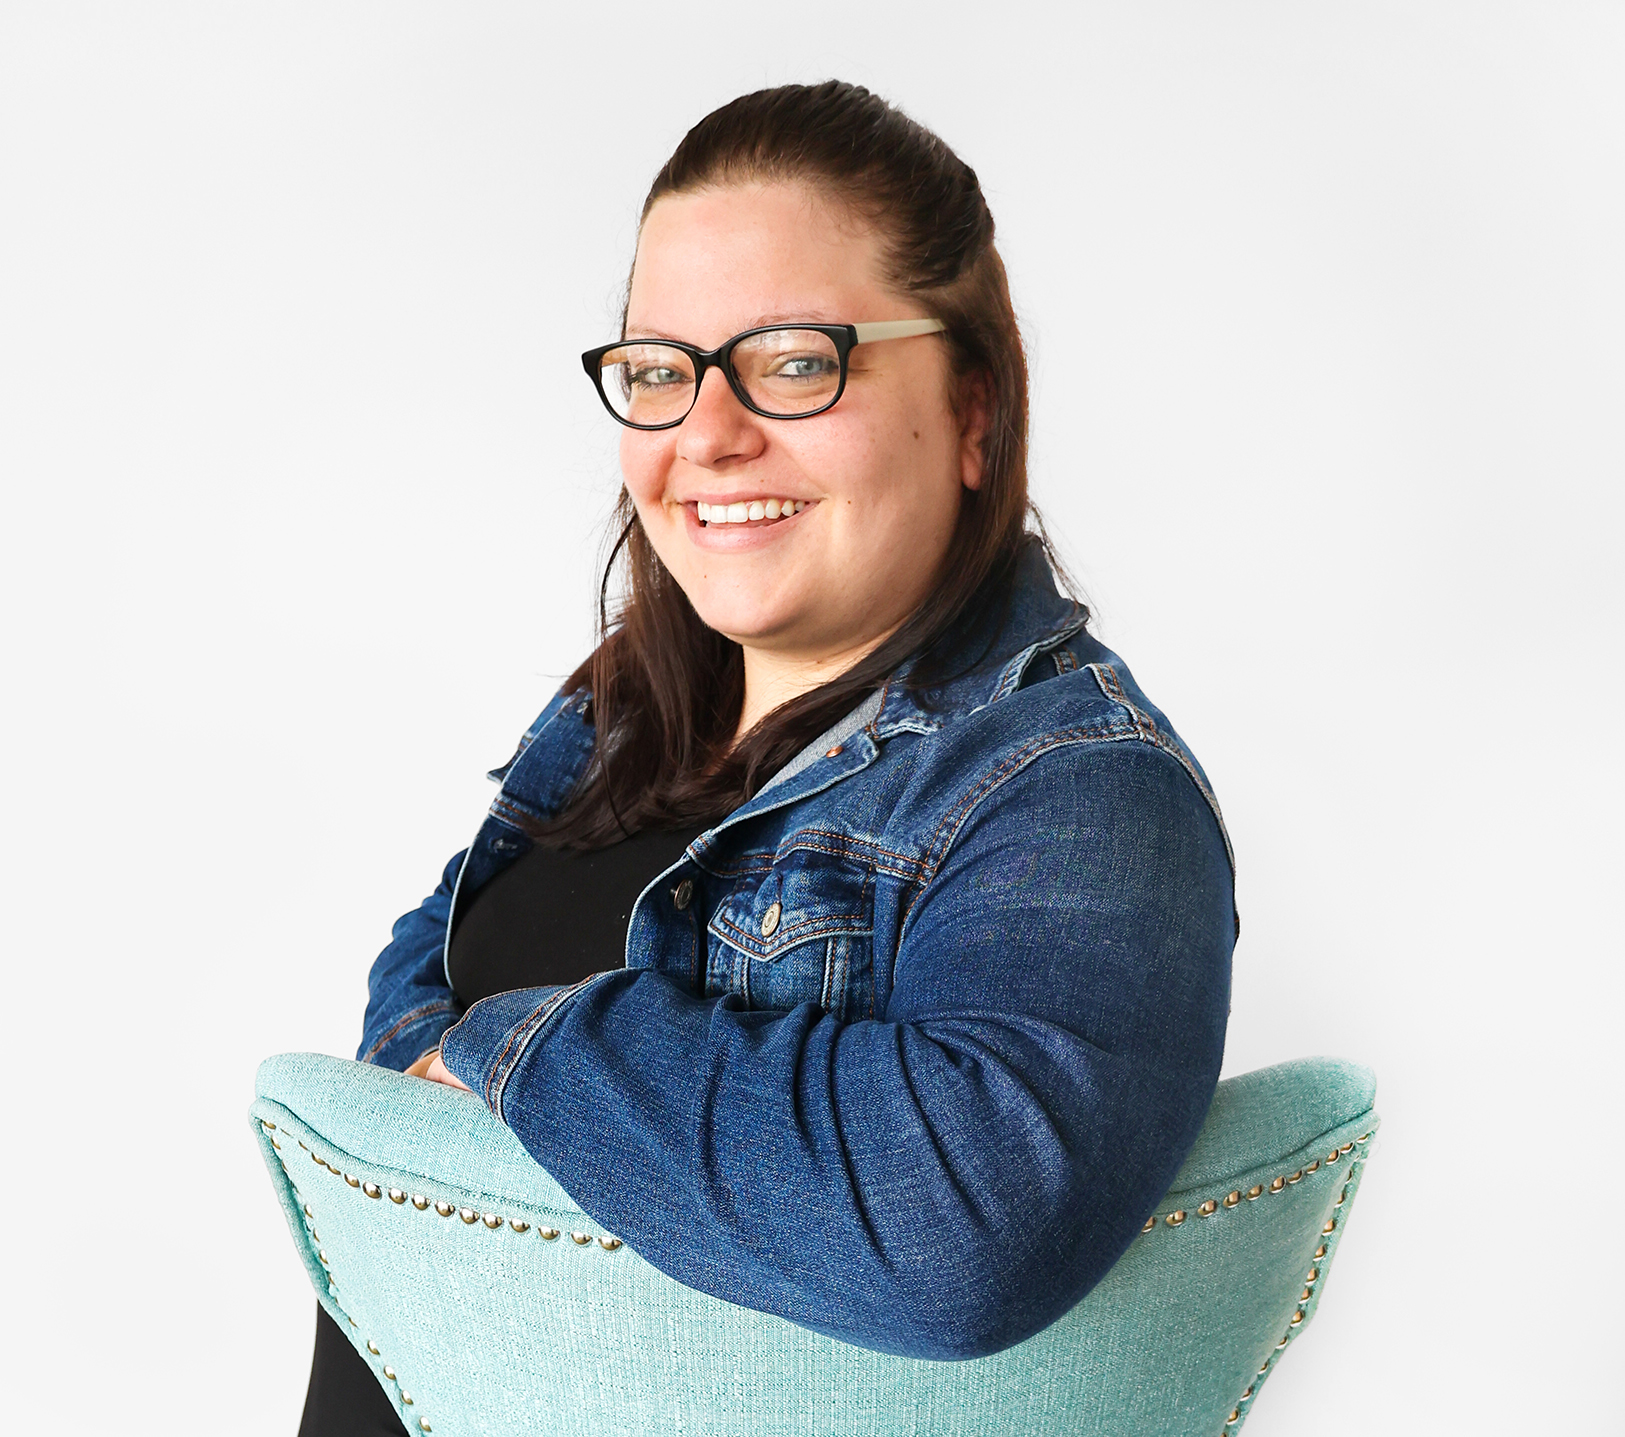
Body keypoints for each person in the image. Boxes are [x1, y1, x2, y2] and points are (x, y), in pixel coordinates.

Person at [298, 80, 1236, 1436]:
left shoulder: (1082, 790)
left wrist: (516, 1055)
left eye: (795, 360)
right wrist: (465, 1057)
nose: (706, 433)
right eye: (659, 369)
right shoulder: (614, 728)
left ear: (972, 409)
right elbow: (404, 1021)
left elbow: (961, 1222)